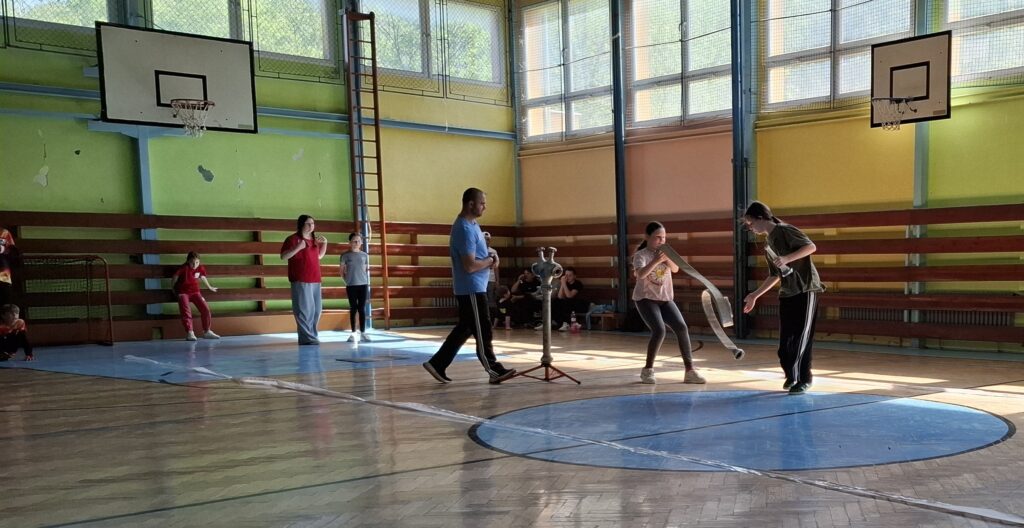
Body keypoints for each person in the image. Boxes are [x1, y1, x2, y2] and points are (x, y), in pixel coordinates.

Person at [423, 188, 516, 385]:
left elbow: (480, 254)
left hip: (476, 286)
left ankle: (437, 363)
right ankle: (493, 369)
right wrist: (490, 261)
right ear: (471, 204)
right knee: (483, 329)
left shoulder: (473, 224)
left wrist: (492, 257)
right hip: (471, 288)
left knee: (465, 328)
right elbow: (470, 265)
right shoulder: (464, 229)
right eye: (482, 203)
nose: (485, 207)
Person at [741, 201, 824, 395]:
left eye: (751, 223)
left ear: (761, 218)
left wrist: (787, 258)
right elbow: (774, 275)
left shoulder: (785, 230)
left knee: (801, 338)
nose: (750, 227)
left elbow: (810, 247)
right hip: (788, 292)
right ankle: (791, 375)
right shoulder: (768, 244)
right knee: (785, 342)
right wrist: (754, 295)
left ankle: (804, 378)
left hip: (805, 288)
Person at [632, 221, 705, 385]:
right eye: (658, 237)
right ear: (647, 237)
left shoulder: (666, 252)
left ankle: (690, 371)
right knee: (659, 330)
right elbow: (640, 274)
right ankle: (648, 370)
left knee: (681, 327)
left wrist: (667, 258)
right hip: (646, 299)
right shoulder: (641, 255)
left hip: (665, 299)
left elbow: (675, 269)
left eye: (664, 238)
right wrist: (656, 261)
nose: (661, 241)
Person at [280, 215, 328, 346]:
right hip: (301, 278)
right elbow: (284, 256)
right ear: (301, 224)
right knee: (304, 310)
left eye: (313, 223)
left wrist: (325, 244)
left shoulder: (314, 240)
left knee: (316, 310)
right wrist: (298, 248)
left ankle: (312, 335)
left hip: (315, 278)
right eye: (308, 223)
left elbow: (318, 256)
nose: (311, 226)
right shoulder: (292, 239)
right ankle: (307, 337)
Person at [171, 252, 220, 341]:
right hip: (183, 293)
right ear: (188, 261)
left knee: (205, 309)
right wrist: (173, 288)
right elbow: (175, 277)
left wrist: (209, 287)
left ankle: (207, 331)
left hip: (195, 292)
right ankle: (190, 332)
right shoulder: (183, 268)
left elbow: (203, 277)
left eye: (197, 262)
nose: (194, 265)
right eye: (192, 262)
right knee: (186, 312)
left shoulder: (200, 268)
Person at [340, 232, 371, 343]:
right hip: (351, 285)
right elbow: (342, 272)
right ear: (350, 242)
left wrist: (364, 280)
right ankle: (353, 333)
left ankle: (362, 332)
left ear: (361, 242)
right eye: (354, 241)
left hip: (363, 285)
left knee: (361, 309)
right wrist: (347, 281)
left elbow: (365, 270)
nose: (357, 243)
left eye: (359, 241)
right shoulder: (345, 256)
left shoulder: (365, 255)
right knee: (353, 308)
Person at [549, 266, 587, 331]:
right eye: (566, 275)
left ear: (574, 276)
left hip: (579, 304)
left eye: (570, 275)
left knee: (567, 302)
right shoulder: (565, 283)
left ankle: (566, 323)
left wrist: (564, 283)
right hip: (567, 304)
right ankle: (553, 322)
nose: (568, 277)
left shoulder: (578, 284)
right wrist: (562, 284)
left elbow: (569, 296)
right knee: (556, 301)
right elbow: (560, 297)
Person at [0, 227, 16, 306]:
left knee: (5, 304)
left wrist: (3, 249)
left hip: (3, 277)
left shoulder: (4, 232)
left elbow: (12, 251)